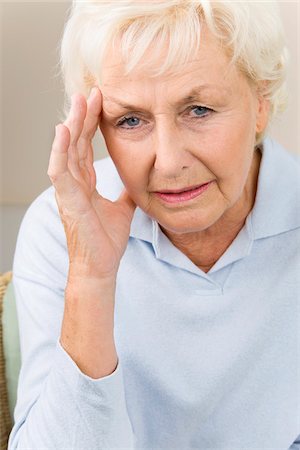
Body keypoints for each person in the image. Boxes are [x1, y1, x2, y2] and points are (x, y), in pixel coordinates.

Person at [8, 1, 300, 449]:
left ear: (260, 103)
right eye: (130, 120)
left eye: (198, 110)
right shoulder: (58, 225)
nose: (168, 161)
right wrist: (91, 275)